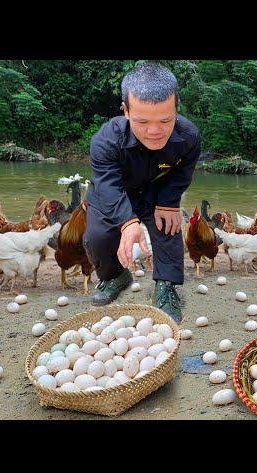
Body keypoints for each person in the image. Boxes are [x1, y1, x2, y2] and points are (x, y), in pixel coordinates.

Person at [83, 63, 200, 323]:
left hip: (155, 192)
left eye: (165, 120)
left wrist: (169, 202)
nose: (154, 130)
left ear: (176, 108)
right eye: (142, 121)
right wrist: (127, 222)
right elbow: (107, 184)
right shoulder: (105, 141)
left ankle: (166, 286)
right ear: (126, 111)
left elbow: (183, 172)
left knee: (167, 226)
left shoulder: (189, 136)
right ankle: (114, 276)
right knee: (97, 238)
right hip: (114, 193)